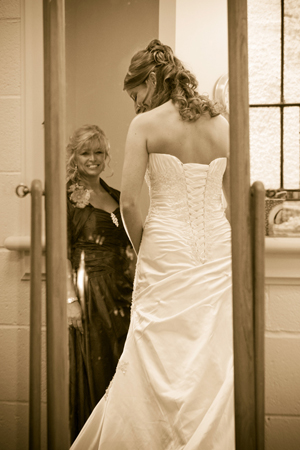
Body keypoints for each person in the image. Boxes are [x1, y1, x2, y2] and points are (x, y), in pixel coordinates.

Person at [71, 40, 234, 449]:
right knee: (212, 350)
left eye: (136, 93)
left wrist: (147, 251)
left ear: (152, 80)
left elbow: (127, 201)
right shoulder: (223, 124)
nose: (135, 104)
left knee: (158, 349)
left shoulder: (145, 126)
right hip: (217, 248)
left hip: (165, 246)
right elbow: (230, 202)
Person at [66, 124, 135, 443]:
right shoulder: (66, 199)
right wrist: (71, 302)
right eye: (85, 152)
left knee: (125, 368)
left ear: (107, 156)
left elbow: (131, 247)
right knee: (96, 367)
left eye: (98, 152)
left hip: (124, 295)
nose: (92, 159)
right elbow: (58, 255)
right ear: (74, 157)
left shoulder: (118, 197)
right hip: (90, 295)